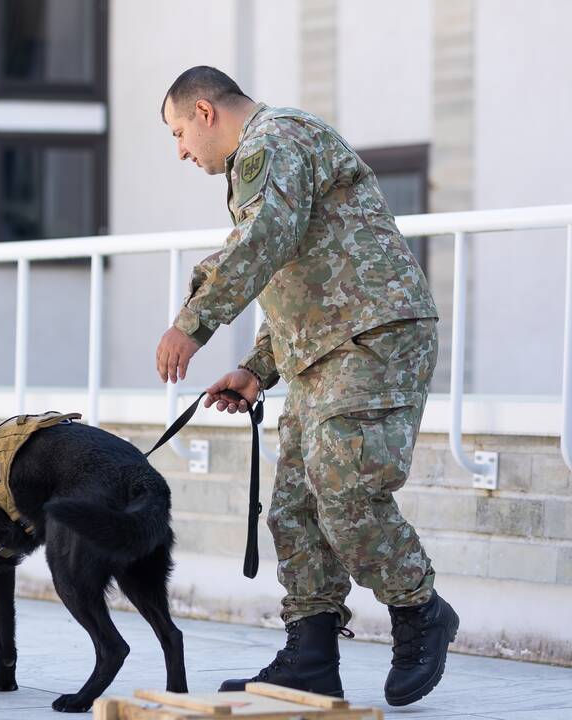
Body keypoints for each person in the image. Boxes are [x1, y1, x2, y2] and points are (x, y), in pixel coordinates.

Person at [155, 66, 458, 706]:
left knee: (343, 489)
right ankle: (312, 652)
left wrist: (193, 322)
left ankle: (419, 608)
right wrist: (256, 368)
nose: (180, 150)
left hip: (373, 336)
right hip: (321, 349)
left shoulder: (275, 139)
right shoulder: (265, 156)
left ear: (206, 112)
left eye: (180, 132)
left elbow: (266, 238)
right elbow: (300, 274)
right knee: (293, 507)